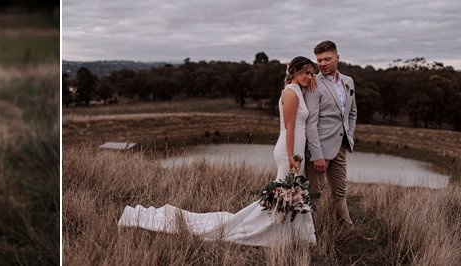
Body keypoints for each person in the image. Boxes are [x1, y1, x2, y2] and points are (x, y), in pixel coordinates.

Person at [118, 56, 318, 247]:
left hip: (295, 150)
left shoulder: (298, 90)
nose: (310, 77)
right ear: (295, 71)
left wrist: (312, 86)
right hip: (288, 150)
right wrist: (292, 157)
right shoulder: (291, 93)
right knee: (285, 192)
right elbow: (290, 127)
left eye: (312, 73)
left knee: (292, 193)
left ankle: (295, 233)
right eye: (307, 73)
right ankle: (266, 230)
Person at [304, 40, 373, 240]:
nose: (323, 63)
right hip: (319, 151)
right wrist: (317, 155)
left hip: (341, 147)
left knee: (340, 192)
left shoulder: (349, 81)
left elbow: (352, 113)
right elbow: (311, 123)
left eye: (327, 59)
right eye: (319, 60)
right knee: (314, 194)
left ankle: (348, 232)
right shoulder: (313, 84)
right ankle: (309, 236)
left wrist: (348, 135)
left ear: (337, 57)